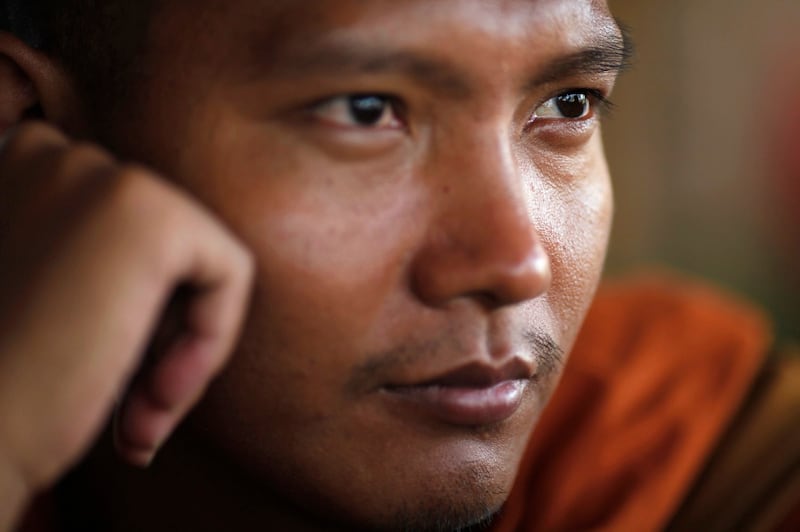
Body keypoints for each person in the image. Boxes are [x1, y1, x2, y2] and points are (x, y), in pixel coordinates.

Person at [0, 1, 796, 531]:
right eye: (367, 110)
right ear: (30, 130)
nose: (516, 263)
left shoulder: (685, 449)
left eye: (567, 105)